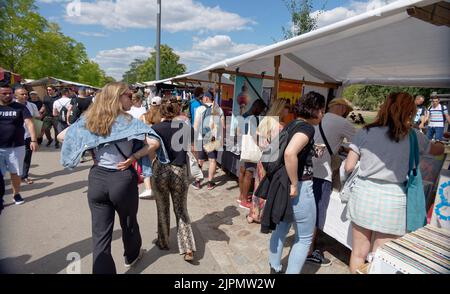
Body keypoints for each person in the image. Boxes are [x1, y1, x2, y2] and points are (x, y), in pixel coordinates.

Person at [59, 82, 168, 274]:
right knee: (128, 223)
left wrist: (89, 146)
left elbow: (62, 136)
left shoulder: (89, 120)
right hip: (122, 177)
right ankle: (132, 256)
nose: (132, 97)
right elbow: (154, 142)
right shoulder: (129, 122)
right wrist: (134, 157)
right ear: (118, 97)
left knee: (100, 235)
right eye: (128, 94)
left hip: (97, 178)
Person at [344, 92, 444, 273]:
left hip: (364, 195)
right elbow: (437, 149)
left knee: (358, 253)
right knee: (380, 257)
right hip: (394, 199)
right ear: (411, 111)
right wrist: (440, 142)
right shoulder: (414, 136)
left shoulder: (365, 132)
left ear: (384, 107)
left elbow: (349, 166)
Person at [268, 91, 325, 274]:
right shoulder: (308, 128)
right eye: (322, 110)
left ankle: (275, 269)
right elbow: (289, 153)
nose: (322, 115)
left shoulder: (292, 123)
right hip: (299, 187)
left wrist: (311, 150)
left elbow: (290, 150)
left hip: (284, 186)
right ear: (315, 110)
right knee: (305, 238)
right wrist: (294, 183)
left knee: (281, 230)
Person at [308, 98, 356, 266]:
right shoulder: (342, 122)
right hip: (323, 174)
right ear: (342, 108)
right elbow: (361, 143)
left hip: (309, 170)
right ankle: (310, 250)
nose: (347, 113)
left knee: (308, 210)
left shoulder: (317, 117)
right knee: (317, 213)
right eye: (347, 110)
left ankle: (306, 245)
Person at [151, 97, 197, 262]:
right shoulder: (185, 128)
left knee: (162, 208)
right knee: (181, 210)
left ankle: (163, 241)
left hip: (161, 170)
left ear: (161, 111)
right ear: (177, 111)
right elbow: (194, 142)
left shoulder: (155, 128)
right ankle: (187, 249)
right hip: (179, 171)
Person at [246, 99, 287, 223]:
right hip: (273, 161)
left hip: (263, 159)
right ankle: (261, 216)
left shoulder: (267, 121)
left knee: (259, 186)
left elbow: (255, 136)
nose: (288, 111)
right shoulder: (279, 125)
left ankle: (253, 215)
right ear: (281, 108)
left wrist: (264, 147)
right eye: (287, 108)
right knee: (266, 187)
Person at [0, 85, 38, 205]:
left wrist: (33, 140)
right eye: (4, 93)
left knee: (15, 173)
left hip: (16, 146)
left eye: (9, 93)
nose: (7, 95)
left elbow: (30, 123)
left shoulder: (20, 107)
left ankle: (16, 194)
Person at [192, 90, 225, 190]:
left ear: (206, 98)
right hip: (213, 138)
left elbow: (196, 125)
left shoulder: (200, 109)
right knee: (212, 160)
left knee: (200, 160)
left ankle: (198, 182)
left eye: (203, 97)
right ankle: (210, 183)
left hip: (201, 137)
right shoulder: (219, 109)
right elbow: (222, 126)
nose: (202, 99)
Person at [238, 99, 266, 209]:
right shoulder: (254, 118)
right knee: (249, 173)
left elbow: (239, 131)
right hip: (250, 148)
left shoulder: (244, 115)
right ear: (258, 108)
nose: (262, 112)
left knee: (242, 172)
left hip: (243, 146)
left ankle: (241, 196)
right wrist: (262, 145)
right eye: (262, 110)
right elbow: (255, 136)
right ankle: (244, 200)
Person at [15, 88, 41, 185]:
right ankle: (15, 174)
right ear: (16, 96)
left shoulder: (32, 105)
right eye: (22, 94)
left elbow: (37, 116)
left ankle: (24, 176)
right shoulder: (10, 105)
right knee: (15, 157)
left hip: (28, 134)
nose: (25, 96)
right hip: (14, 136)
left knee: (27, 156)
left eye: (26, 94)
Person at [137, 96, 162, 198]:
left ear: (150, 104)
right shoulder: (162, 117)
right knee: (159, 165)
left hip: (146, 144)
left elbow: (137, 130)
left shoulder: (143, 116)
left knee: (146, 165)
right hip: (159, 144)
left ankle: (148, 189)